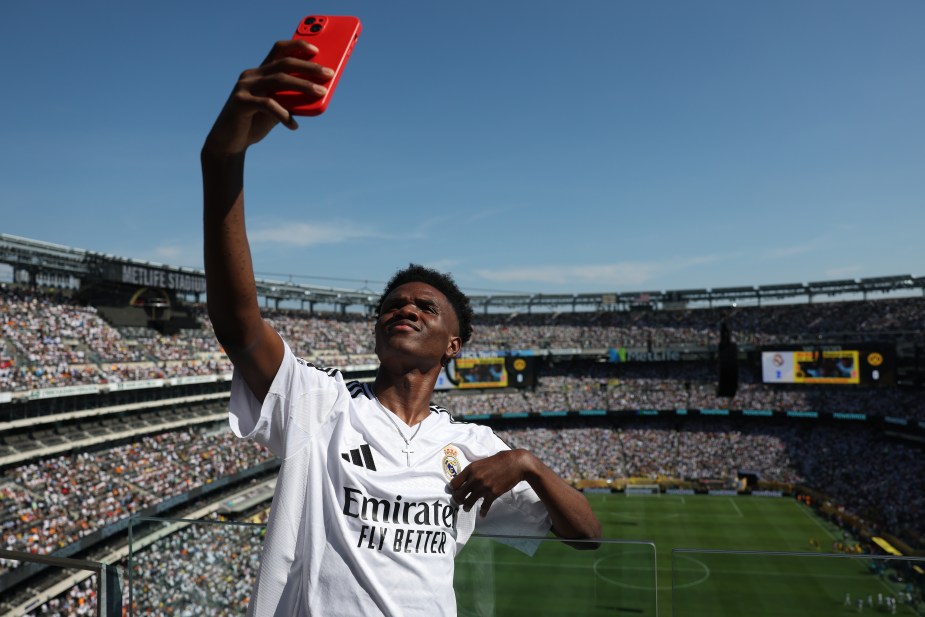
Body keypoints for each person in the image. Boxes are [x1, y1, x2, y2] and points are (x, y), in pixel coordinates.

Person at [201, 39, 601, 617]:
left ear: (453, 344)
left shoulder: (475, 450)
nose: (404, 309)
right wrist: (223, 159)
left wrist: (527, 464)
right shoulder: (322, 405)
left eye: (425, 307)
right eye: (392, 305)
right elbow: (238, 324)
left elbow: (587, 535)